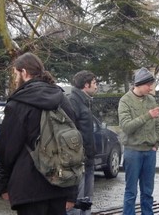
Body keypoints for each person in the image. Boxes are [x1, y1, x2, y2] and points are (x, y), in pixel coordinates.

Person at [0, 52, 78, 215]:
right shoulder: (62, 99)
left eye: (15, 74)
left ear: (24, 73)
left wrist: (4, 183)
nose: (15, 79)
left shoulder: (19, 102)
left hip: (29, 186)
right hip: (59, 183)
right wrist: (72, 191)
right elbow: (73, 145)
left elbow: (6, 147)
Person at [118, 68, 159, 215]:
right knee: (131, 191)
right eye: (148, 85)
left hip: (150, 152)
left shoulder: (151, 100)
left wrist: (157, 143)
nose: (151, 88)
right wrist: (147, 116)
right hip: (133, 152)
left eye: (152, 84)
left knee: (148, 192)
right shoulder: (125, 101)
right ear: (139, 84)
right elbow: (126, 127)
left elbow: (157, 124)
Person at [68, 70, 98, 215]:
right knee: (77, 202)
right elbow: (70, 132)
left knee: (87, 200)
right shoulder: (73, 101)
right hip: (79, 161)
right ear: (86, 85)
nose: (96, 86)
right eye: (94, 83)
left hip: (88, 159)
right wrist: (80, 155)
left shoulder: (85, 101)